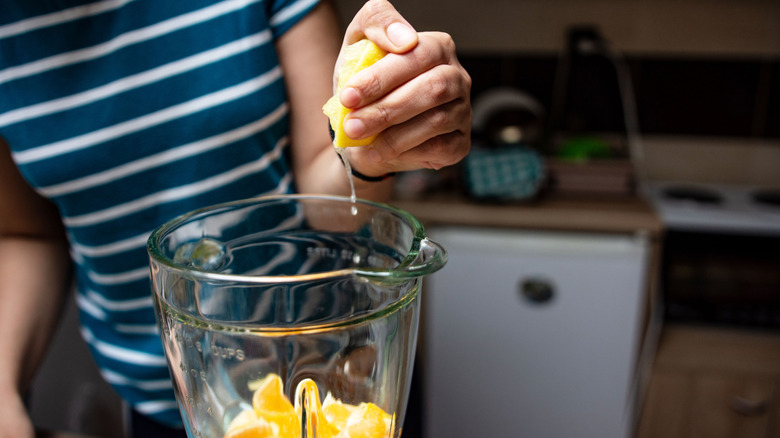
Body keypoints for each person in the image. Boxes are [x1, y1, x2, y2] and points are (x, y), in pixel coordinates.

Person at [0, 0, 471, 437]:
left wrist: (371, 142)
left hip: (342, 393)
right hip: (168, 402)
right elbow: (24, 233)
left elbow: (330, 200)